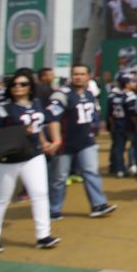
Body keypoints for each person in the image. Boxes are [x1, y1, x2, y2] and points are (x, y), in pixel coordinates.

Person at [0, 69, 62, 253]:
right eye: (14, 84)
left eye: (23, 84)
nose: (18, 87)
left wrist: (45, 142)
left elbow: (37, 128)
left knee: (40, 194)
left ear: (30, 87)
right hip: (7, 158)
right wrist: (19, 131)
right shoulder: (3, 108)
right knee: (1, 200)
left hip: (33, 155)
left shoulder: (36, 104)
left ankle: (43, 236)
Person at [47, 65, 117, 220]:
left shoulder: (90, 94)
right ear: (71, 76)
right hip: (65, 144)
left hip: (86, 141)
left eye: (82, 74)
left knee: (91, 172)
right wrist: (56, 139)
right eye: (76, 74)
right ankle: (53, 209)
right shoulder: (61, 94)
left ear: (88, 76)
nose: (79, 77)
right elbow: (52, 117)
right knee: (59, 178)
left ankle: (98, 204)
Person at [108, 75, 137, 178]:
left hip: (118, 124)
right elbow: (133, 115)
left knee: (118, 148)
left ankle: (119, 169)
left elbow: (110, 115)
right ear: (127, 84)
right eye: (132, 82)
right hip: (129, 126)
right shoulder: (130, 97)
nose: (135, 84)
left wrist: (112, 126)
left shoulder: (114, 96)